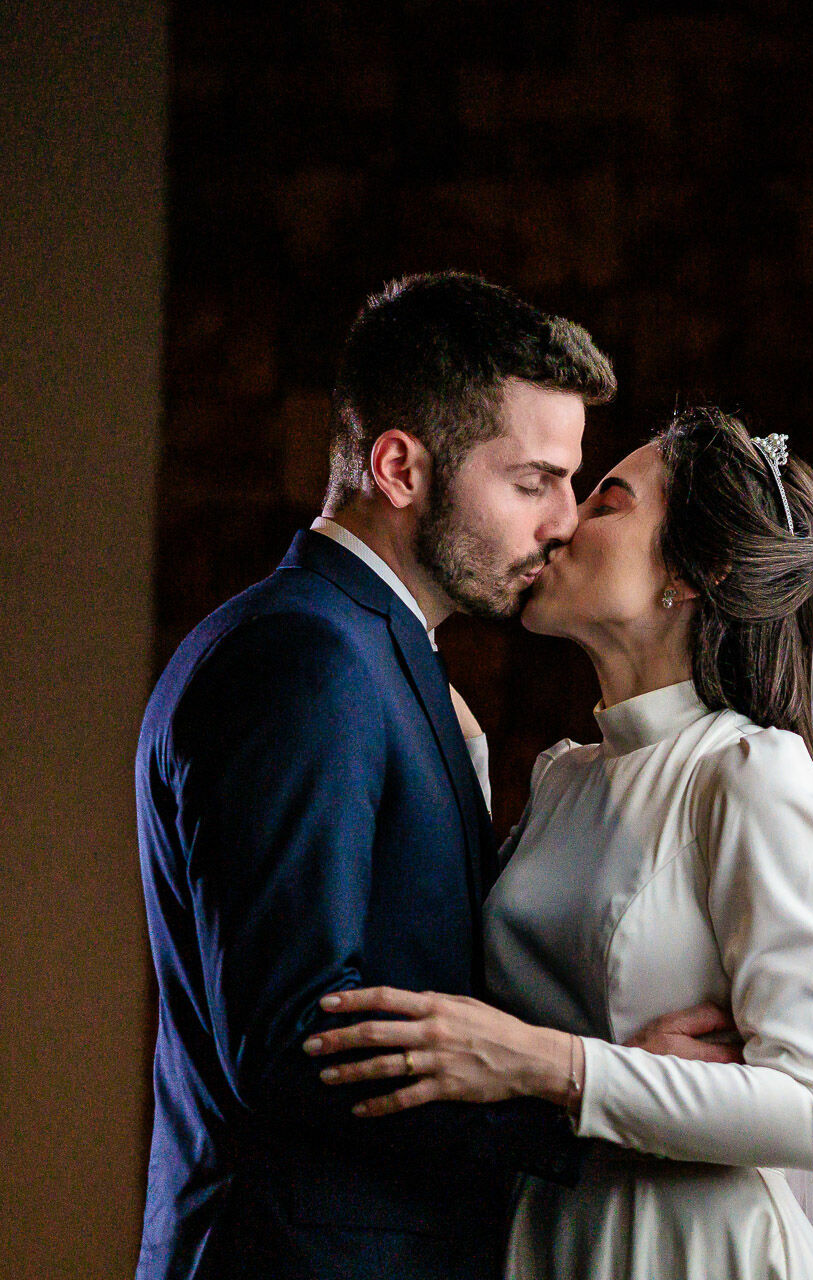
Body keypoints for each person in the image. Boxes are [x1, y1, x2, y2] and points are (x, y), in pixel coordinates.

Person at [305, 408, 813, 1280]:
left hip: (694, 1251)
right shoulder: (564, 776)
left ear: (692, 569)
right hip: (552, 1239)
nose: (563, 522)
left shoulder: (751, 776)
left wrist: (551, 1065)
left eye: (607, 501)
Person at [136, 273, 722, 1280]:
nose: (561, 523)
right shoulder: (307, 661)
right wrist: (581, 1102)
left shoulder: (367, 654)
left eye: (572, 484)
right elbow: (294, 1042)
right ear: (400, 466)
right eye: (532, 480)